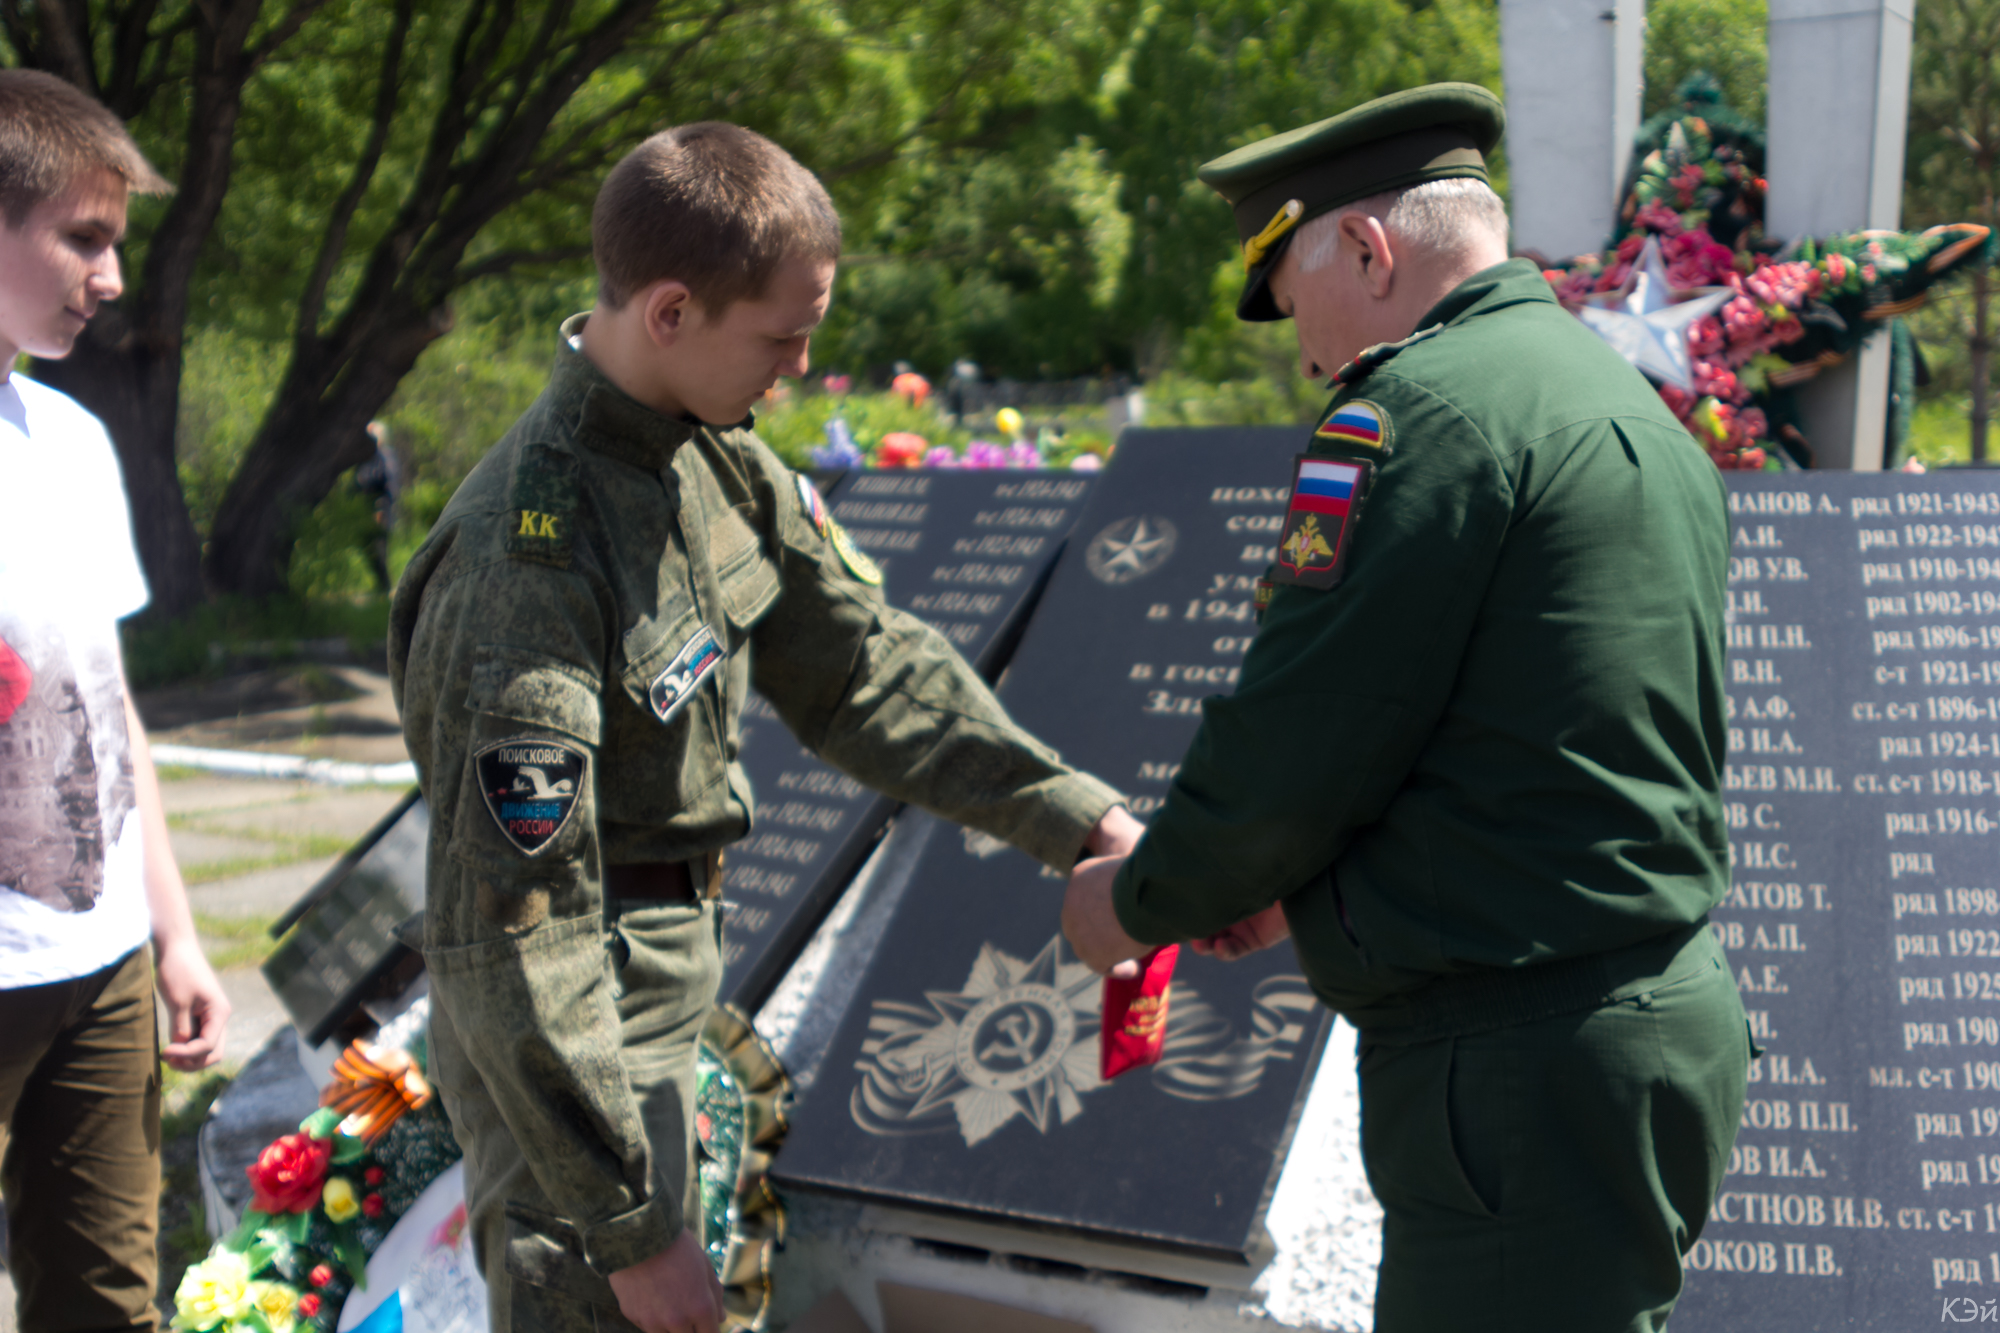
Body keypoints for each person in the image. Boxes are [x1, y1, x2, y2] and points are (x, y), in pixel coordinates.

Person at [389, 122, 1140, 1333]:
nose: (798, 365)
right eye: (781, 336)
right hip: (580, 1047)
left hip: (662, 991)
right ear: (672, 310)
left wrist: (1082, 818)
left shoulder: (715, 463)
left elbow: (862, 668)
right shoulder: (527, 560)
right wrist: (629, 1228)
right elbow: (518, 929)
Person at [1061, 83, 1748, 1332]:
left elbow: (1303, 735)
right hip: (1640, 1020)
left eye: (1293, 307)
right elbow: (1522, 734)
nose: (1307, 354)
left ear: (1369, 252)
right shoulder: (1612, 402)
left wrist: (1139, 901)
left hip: (1513, 1061)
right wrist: (1312, 892)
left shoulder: (1413, 415)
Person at [0, 70, 231, 1330]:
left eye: (116, 243)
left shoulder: (75, 442)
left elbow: (108, 709)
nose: (112, 277)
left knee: (106, 1306)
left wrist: (173, 930)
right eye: (82, 239)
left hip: (93, 971)